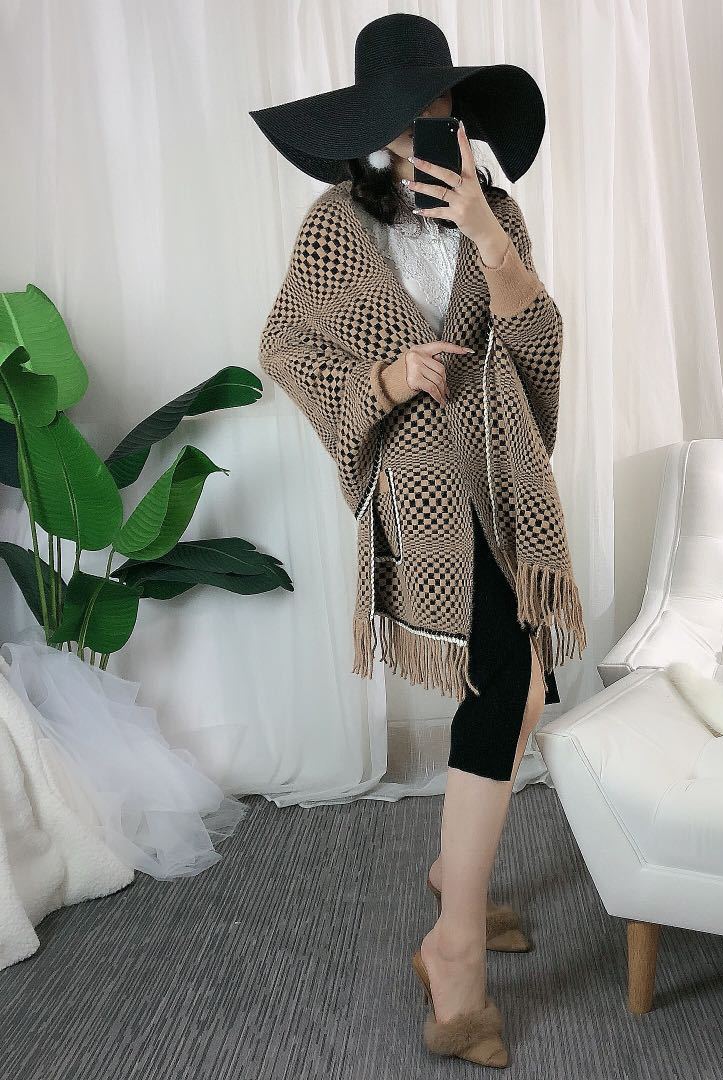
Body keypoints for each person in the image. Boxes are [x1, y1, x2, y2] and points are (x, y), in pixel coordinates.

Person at [249, 14, 586, 1069]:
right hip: (422, 482)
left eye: (439, 100)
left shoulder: (498, 211)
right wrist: (389, 379)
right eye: (406, 106)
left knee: (524, 685)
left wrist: (487, 233)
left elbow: (537, 337)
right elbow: (284, 345)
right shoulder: (334, 227)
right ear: (370, 121)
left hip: (507, 470)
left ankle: (454, 879)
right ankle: (455, 953)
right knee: (503, 676)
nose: (426, 119)